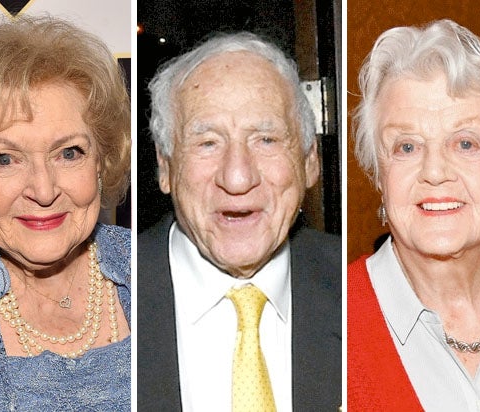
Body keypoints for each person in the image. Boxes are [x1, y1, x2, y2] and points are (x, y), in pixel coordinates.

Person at [0, 16, 131, 409]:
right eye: (4, 159)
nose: (43, 190)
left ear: (101, 161)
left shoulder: (152, 270)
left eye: (68, 153)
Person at [348, 19, 480, 410]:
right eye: (407, 147)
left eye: (466, 143)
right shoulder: (331, 317)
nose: (435, 171)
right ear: (379, 176)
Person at [137, 32, 341, 411]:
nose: (237, 177)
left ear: (310, 161)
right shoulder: (109, 300)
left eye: (266, 139)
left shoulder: (361, 296)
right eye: (208, 143)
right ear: (165, 167)